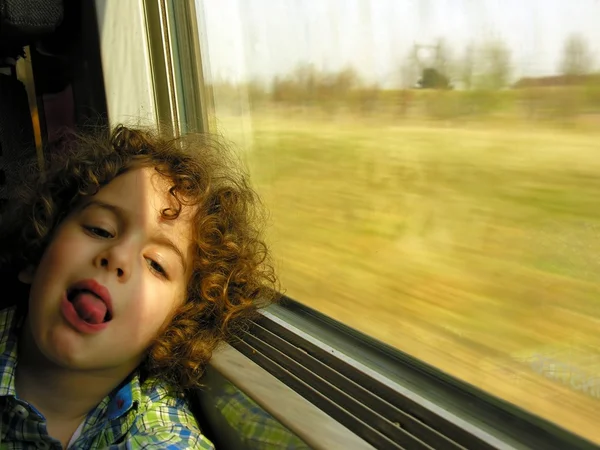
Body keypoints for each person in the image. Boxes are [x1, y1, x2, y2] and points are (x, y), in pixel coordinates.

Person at [0, 125, 278, 449]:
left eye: (156, 264)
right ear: (39, 250)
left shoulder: (160, 435)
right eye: (100, 230)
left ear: (175, 327)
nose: (118, 257)